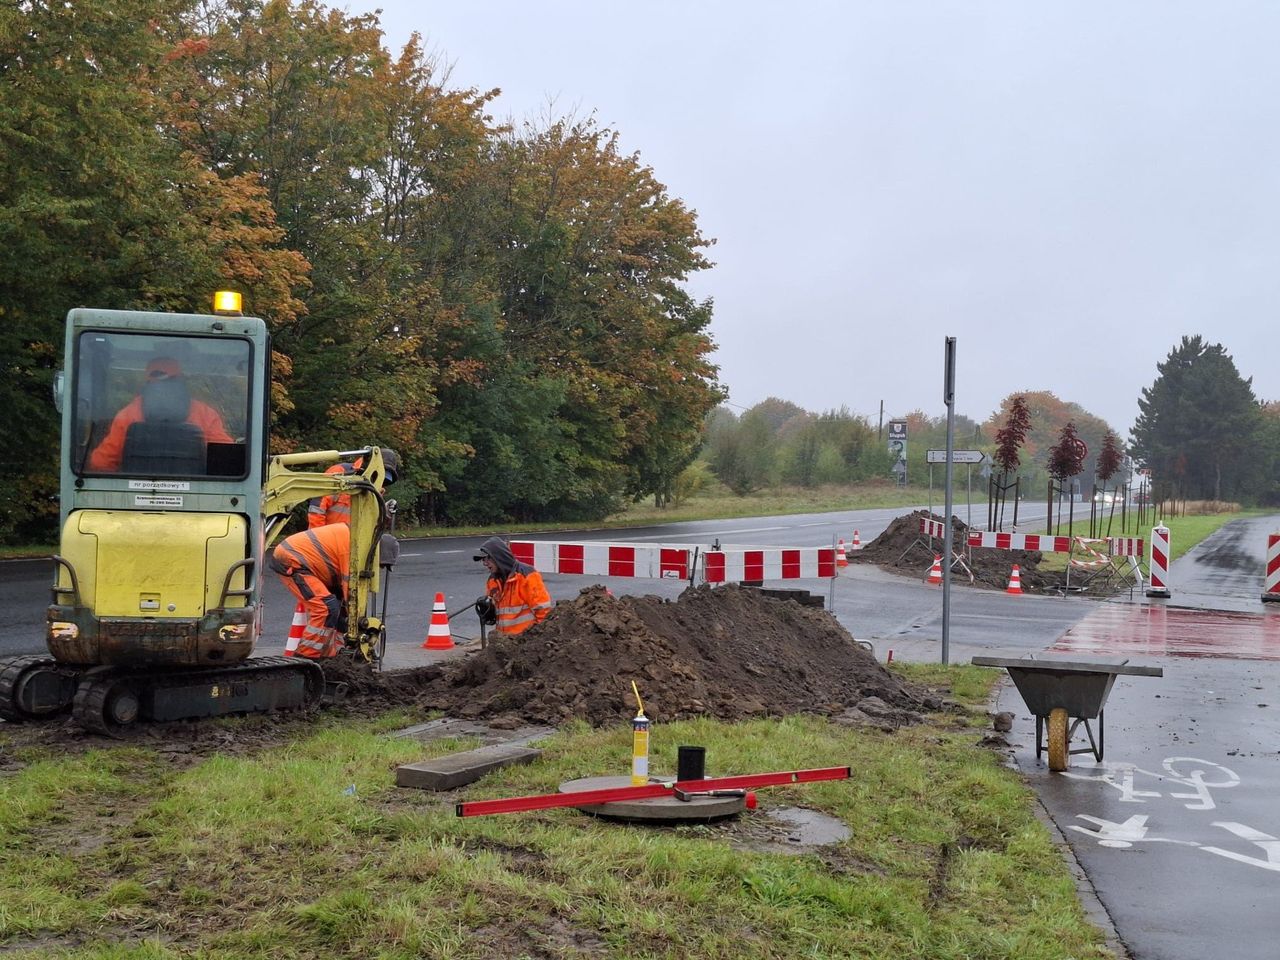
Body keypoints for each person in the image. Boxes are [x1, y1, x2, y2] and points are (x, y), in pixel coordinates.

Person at [87, 356, 232, 472]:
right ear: (180, 378)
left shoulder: (128, 415)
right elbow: (226, 459)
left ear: (148, 380)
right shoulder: (205, 414)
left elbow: (100, 462)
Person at [268, 523, 350, 658]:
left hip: (304, 560)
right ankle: (306, 657)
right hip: (292, 560)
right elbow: (350, 588)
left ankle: (332, 654)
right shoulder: (352, 550)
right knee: (325, 608)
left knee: (339, 607)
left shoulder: (352, 539)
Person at [474, 536, 552, 636]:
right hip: (505, 641)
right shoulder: (493, 580)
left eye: (487, 559)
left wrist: (540, 638)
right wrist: (489, 610)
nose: (485, 563)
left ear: (498, 557)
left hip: (526, 640)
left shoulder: (526, 575)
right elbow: (499, 615)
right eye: (483, 560)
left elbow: (543, 610)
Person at [307, 448, 401, 528]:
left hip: (355, 545)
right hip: (329, 542)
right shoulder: (339, 473)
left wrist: (385, 513)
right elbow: (317, 509)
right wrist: (319, 540)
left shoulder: (376, 489)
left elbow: (372, 525)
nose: (381, 481)